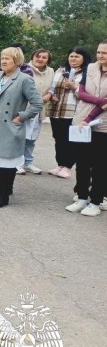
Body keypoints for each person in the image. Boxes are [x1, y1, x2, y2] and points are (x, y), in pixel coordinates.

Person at [0, 47, 43, 208]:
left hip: (9, 127)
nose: (3, 61)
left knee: (6, 162)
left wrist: (21, 117)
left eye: (8, 59)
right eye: (2, 58)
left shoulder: (24, 79)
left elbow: (37, 103)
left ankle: (3, 195)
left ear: (17, 61)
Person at [66, 40, 107, 216]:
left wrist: (92, 115)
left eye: (104, 53)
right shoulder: (90, 68)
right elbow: (81, 92)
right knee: (81, 163)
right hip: (82, 121)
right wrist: (100, 101)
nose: (100, 56)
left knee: (100, 166)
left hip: (102, 125)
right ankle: (81, 197)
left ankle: (96, 202)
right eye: (99, 52)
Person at [46, 47, 90, 179]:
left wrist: (74, 87)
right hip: (57, 110)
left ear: (84, 59)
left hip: (73, 112)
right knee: (58, 138)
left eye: (77, 56)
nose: (73, 59)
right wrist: (52, 95)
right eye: (71, 56)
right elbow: (52, 87)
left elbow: (87, 93)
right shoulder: (60, 70)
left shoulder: (87, 74)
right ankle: (60, 164)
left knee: (70, 140)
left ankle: (68, 166)